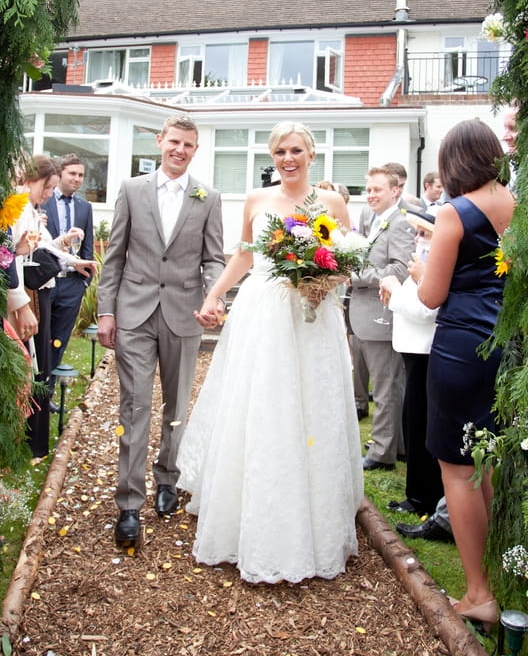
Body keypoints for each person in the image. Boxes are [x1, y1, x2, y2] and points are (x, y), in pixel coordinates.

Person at [176, 121, 363, 584]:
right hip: (262, 316)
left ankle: (314, 525)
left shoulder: (332, 203)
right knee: (261, 409)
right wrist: (214, 295)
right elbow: (243, 254)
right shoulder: (257, 201)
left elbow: (350, 258)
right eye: (280, 151)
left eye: (296, 150)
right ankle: (249, 520)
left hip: (313, 320)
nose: (288, 158)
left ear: (312, 155)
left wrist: (324, 282)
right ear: (272, 157)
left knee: (311, 412)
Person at [96, 115, 225, 549]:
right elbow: (114, 256)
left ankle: (168, 477)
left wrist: (213, 296)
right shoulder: (132, 190)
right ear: (160, 142)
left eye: (188, 144)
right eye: (174, 142)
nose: (179, 150)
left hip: (183, 314)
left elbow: (214, 258)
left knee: (176, 405)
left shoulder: (208, 198)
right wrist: (106, 312)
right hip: (133, 313)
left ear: (195, 149)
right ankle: (129, 504)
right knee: (134, 407)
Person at [409, 119, 515, 629]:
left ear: (454, 163)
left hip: (461, 350)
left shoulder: (454, 214)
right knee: (488, 462)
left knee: (458, 468)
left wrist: (418, 270)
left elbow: (431, 296)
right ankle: (499, 575)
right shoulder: (519, 207)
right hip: (508, 348)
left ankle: (479, 593)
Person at [13, 155, 97, 460]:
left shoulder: (34, 209)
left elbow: (47, 245)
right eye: (46, 188)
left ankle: (33, 440)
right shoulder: (21, 207)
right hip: (31, 294)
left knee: (44, 363)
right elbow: (14, 253)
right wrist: (21, 303)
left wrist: (77, 261)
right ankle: (27, 438)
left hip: (51, 291)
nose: (48, 195)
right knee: (34, 365)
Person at [349, 168, 416, 468]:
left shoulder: (401, 223)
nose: (371, 195)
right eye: (369, 189)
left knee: (386, 388)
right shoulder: (368, 217)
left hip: (381, 314)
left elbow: (401, 268)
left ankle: (382, 452)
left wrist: (358, 277)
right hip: (362, 313)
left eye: (377, 190)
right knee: (389, 385)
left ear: (395, 191)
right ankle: (397, 444)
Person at [379, 208, 443, 516]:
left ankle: (422, 497)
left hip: (425, 352)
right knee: (413, 424)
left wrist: (393, 293)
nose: (418, 239)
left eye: (425, 234)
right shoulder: (421, 263)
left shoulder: (433, 265)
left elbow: (426, 310)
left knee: (420, 427)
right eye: (417, 233)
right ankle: (416, 493)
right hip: (413, 351)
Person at [44, 153, 94, 407]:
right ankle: (32, 392)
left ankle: (48, 394)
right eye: (72, 173)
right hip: (45, 282)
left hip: (72, 285)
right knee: (41, 338)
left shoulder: (85, 207)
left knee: (59, 340)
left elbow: (88, 247)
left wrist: (84, 284)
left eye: (81, 175)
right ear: (60, 173)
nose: (77, 179)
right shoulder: (43, 201)